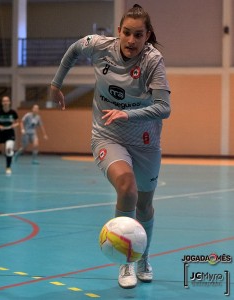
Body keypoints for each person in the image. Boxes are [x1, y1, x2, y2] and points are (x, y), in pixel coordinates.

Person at [50, 4, 171, 289]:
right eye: (127, 33)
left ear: (147, 35)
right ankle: (126, 262)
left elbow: (164, 107)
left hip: (145, 141)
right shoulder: (99, 46)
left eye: (138, 35)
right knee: (126, 186)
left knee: (145, 204)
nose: (131, 40)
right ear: (119, 32)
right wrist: (56, 83)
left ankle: (143, 257)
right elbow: (74, 49)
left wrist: (128, 113)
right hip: (107, 135)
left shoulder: (154, 61)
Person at [0, 96, 19, 175]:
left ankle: (8, 167)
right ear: (2, 103)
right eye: (4, 101)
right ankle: (10, 155)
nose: (5, 102)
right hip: (1, 132)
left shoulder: (13, 112)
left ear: (9, 102)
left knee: (8, 149)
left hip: (10, 132)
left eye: (7, 101)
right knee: (4, 151)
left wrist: (14, 125)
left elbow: (17, 122)